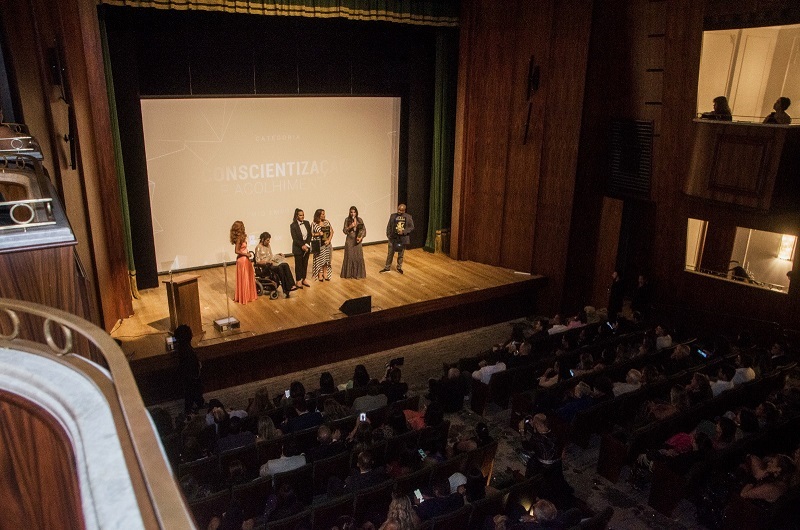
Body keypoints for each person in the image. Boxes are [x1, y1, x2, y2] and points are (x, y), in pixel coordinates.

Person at [254, 232, 296, 298]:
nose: (269, 242)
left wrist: (278, 255)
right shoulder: (258, 247)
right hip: (265, 266)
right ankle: (285, 289)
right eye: (267, 240)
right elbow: (257, 261)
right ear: (262, 239)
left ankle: (291, 285)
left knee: (285, 265)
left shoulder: (268, 246)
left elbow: (271, 256)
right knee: (279, 268)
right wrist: (266, 262)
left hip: (271, 263)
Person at [175, 324, 204, 414]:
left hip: (187, 376)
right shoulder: (187, 351)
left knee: (190, 393)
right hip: (192, 377)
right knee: (192, 393)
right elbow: (193, 367)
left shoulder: (182, 348)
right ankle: (190, 409)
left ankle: (198, 404)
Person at [380, 203, 414, 274]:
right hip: (392, 238)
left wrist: (404, 231)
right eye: (398, 209)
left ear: (404, 211)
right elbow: (389, 226)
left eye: (401, 210)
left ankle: (399, 267)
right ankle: (387, 267)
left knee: (400, 254)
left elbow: (411, 227)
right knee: (390, 253)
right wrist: (388, 235)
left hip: (402, 239)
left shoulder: (408, 217)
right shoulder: (393, 216)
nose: (399, 211)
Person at [229, 220, 257, 304]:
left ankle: (247, 295)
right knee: (244, 278)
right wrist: (246, 254)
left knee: (247, 277)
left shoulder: (241, 237)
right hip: (242, 260)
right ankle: (245, 296)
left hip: (245, 259)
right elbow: (236, 251)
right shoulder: (238, 239)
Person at [341, 205, 367, 279]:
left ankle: (357, 274)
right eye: (351, 212)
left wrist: (361, 237)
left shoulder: (360, 220)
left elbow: (364, 230)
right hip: (350, 240)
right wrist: (350, 226)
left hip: (357, 241)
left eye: (354, 212)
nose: (353, 214)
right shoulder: (347, 220)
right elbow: (344, 231)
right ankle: (349, 274)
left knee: (358, 257)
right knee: (350, 256)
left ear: (356, 213)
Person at [289, 208, 312, 289]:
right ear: (296, 216)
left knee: (305, 264)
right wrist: (302, 246)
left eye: (303, 215)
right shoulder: (293, 225)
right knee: (298, 264)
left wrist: (307, 245)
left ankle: (303, 279)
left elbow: (310, 235)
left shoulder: (307, 223)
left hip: (307, 246)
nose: (302, 217)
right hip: (298, 248)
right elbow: (295, 238)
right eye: (300, 215)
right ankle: (298, 280)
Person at [311, 208, 333, 281]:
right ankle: (319, 274)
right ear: (318, 215)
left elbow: (332, 231)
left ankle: (325, 273)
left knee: (326, 259)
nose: (324, 215)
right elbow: (311, 234)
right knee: (320, 260)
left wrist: (329, 240)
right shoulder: (314, 224)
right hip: (319, 245)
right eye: (322, 214)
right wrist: (318, 234)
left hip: (327, 244)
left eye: (324, 214)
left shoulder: (327, 222)